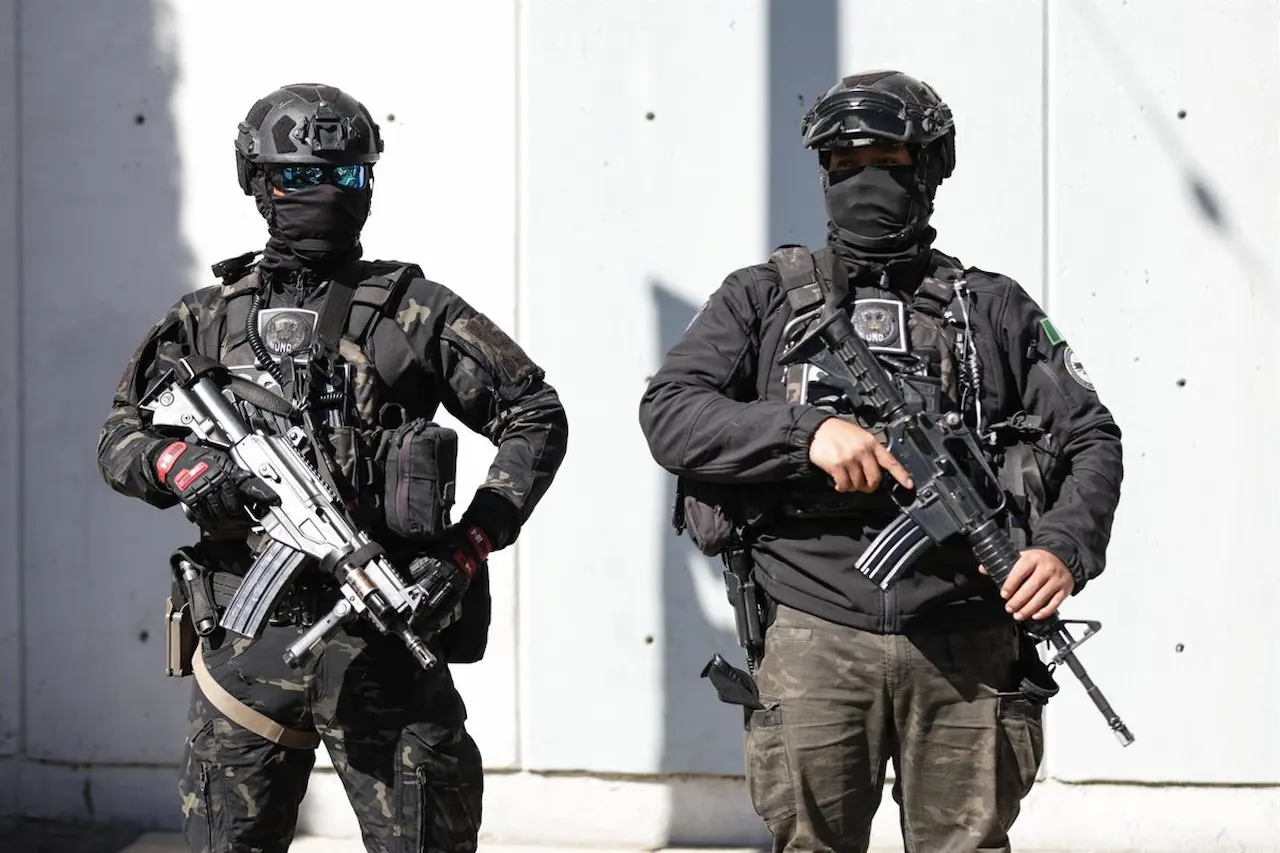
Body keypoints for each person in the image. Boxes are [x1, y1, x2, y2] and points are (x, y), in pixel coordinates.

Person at [637, 69, 1123, 852]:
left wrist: (1062, 547)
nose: (865, 180)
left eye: (888, 160)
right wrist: (806, 433)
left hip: (969, 638)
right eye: (843, 163)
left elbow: (1092, 435)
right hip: (814, 632)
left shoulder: (990, 307)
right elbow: (670, 413)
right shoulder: (762, 299)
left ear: (930, 167)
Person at [96, 83, 569, 853]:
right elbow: (120, 436)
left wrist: (470, 545)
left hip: (387, 633)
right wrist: (179, 461)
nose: (324, 194)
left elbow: (535, 415)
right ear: (256, 182)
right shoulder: (204, 321)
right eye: (298, 176)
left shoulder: (417, 310)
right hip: (244, 647)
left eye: (345, 176)